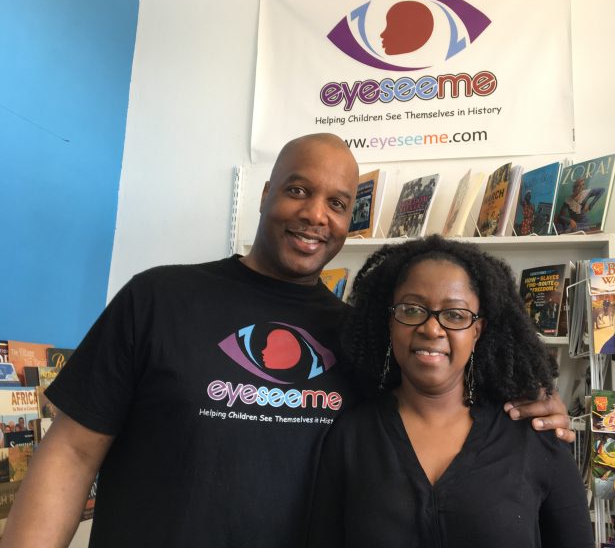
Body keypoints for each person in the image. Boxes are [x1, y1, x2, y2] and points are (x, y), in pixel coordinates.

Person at [1, 133, 572, 548]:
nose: (315, 215)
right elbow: (72, 452)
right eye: (298, 189)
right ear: (265, 193)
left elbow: (438, 403)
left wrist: (532, 406)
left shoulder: (361, 339)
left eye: (338, 203)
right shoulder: (159, 298)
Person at [307, 236, 593, 548]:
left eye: (455, 315)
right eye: (412, 309)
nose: (431, 329)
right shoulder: (351, 437)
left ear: (477, 331)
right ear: (390, 322)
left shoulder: (533, 435)